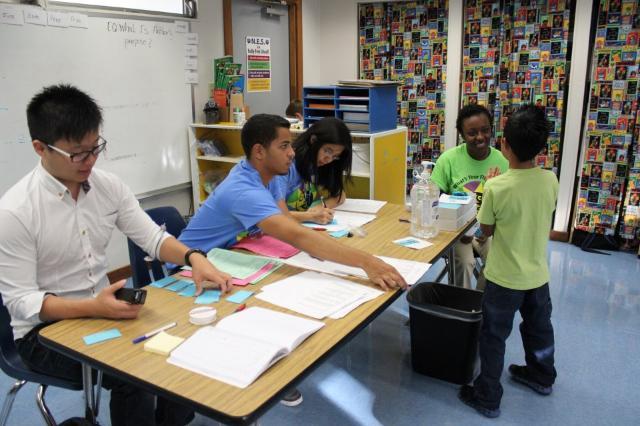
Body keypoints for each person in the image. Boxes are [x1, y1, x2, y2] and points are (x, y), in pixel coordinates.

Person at [0, 85, 232, 426]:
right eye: (78, 154)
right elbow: (21, 302)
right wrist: (93, 307)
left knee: (177, 339)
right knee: (133, 371)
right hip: (44, 333)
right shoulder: (15, 211)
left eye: (96, 148)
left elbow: (152, 237)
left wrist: (194, 258)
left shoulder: (107, 186)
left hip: (101, 310)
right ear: (40, 148)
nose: (90, 161)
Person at [177, 114, 406, 293]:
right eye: (284, 146)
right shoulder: (243, 190)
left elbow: (290, 224)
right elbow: (297, 234)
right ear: (259, 151)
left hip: (223, 257)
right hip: (186, 269)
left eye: (290, 145)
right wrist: (367, 262)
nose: (292, 153)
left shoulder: (265, 177)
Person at [458, 104, 558, 418]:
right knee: (540, 328)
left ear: (504, 144)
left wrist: (488, 189)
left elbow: (485, 231)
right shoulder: (550, 180)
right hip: (538, 276)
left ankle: (487, 396)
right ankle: (541, 374)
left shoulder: (497, 187)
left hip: (503, 280)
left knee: (493, 337)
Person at [431, 105, 509, 290]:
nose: (480, 137)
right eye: (472, 133)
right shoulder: (448, 159)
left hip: (490, 229)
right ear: (462, 134)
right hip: (456, 231)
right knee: (465, 262)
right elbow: (434, 197)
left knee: (497, 263)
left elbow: (507, 205)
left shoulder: (503, 161)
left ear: (492, 129)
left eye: (485, 130)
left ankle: (479, 305)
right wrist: (461, 228)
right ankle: (461, 305)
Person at [270, 117, 351, 224]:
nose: (329, 159)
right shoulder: (286, 165)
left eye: (335, 156)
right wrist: (310, 216)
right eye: (327, 151)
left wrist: (320, 206)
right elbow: (273, 214)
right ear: (313, 140)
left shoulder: (318, 164)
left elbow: (340, 195)